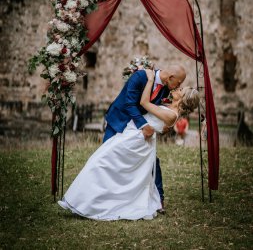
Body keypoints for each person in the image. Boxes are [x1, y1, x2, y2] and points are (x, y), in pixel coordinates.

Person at [58, 69, 199, 221]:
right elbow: (159, 121)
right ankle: (86, 202)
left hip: (135, 140)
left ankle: (85, 204)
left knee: (100, 164)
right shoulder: (170, 106)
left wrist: (150, 79)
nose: (178, 88)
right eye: (179, 85)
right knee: (106, 165)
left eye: (181, 89)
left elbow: (144, 103)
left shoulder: (172, 114)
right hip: (133, 135)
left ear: (183, 97)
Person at [103, 64, 186, 213]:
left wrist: (165, 122)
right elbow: (130, 104)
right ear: (171, 77)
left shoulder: (167, 89)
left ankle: (159, 199)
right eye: (179, 83)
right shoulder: (140, 77)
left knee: (152, 159)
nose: (179, 86)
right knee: (106, 156)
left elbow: (158, 108)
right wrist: (144, 125)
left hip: (138, 130)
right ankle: (105, 195)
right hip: (119, 121)